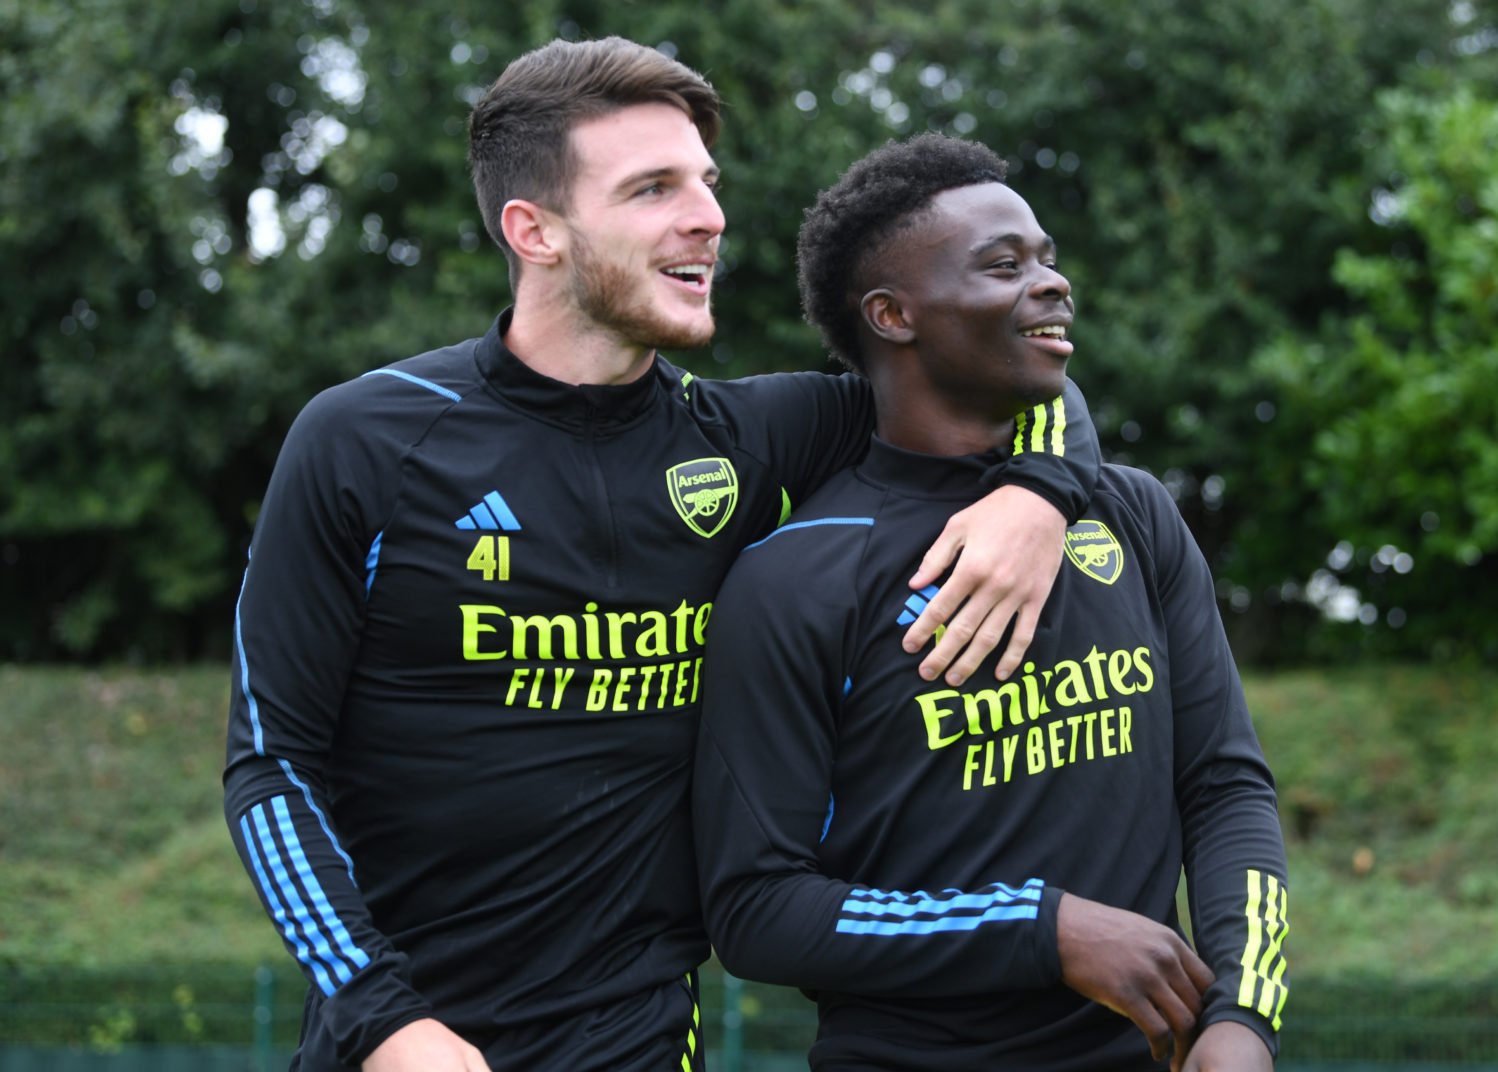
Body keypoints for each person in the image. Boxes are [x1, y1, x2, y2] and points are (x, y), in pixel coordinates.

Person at [222, 39, 1101, 1071]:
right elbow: (271, 767)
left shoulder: (755, 437)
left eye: (707, 184)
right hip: (402, 1046)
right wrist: (383, 1018)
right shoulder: (366, 440)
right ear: (534, 230)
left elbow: (1015, 380)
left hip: (639, 1037)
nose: (709, 216)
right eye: (653, 188)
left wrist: (1039, 495)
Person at [692, 133, 1290, 1072]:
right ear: (893, 315)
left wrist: (1243, 1019)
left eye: (1049, 261)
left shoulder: (1129, 513)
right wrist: (1041, 929)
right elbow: (758, 911)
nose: (1052, 284)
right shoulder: (795, 576)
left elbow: (1224, 789)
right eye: (1005, 266)